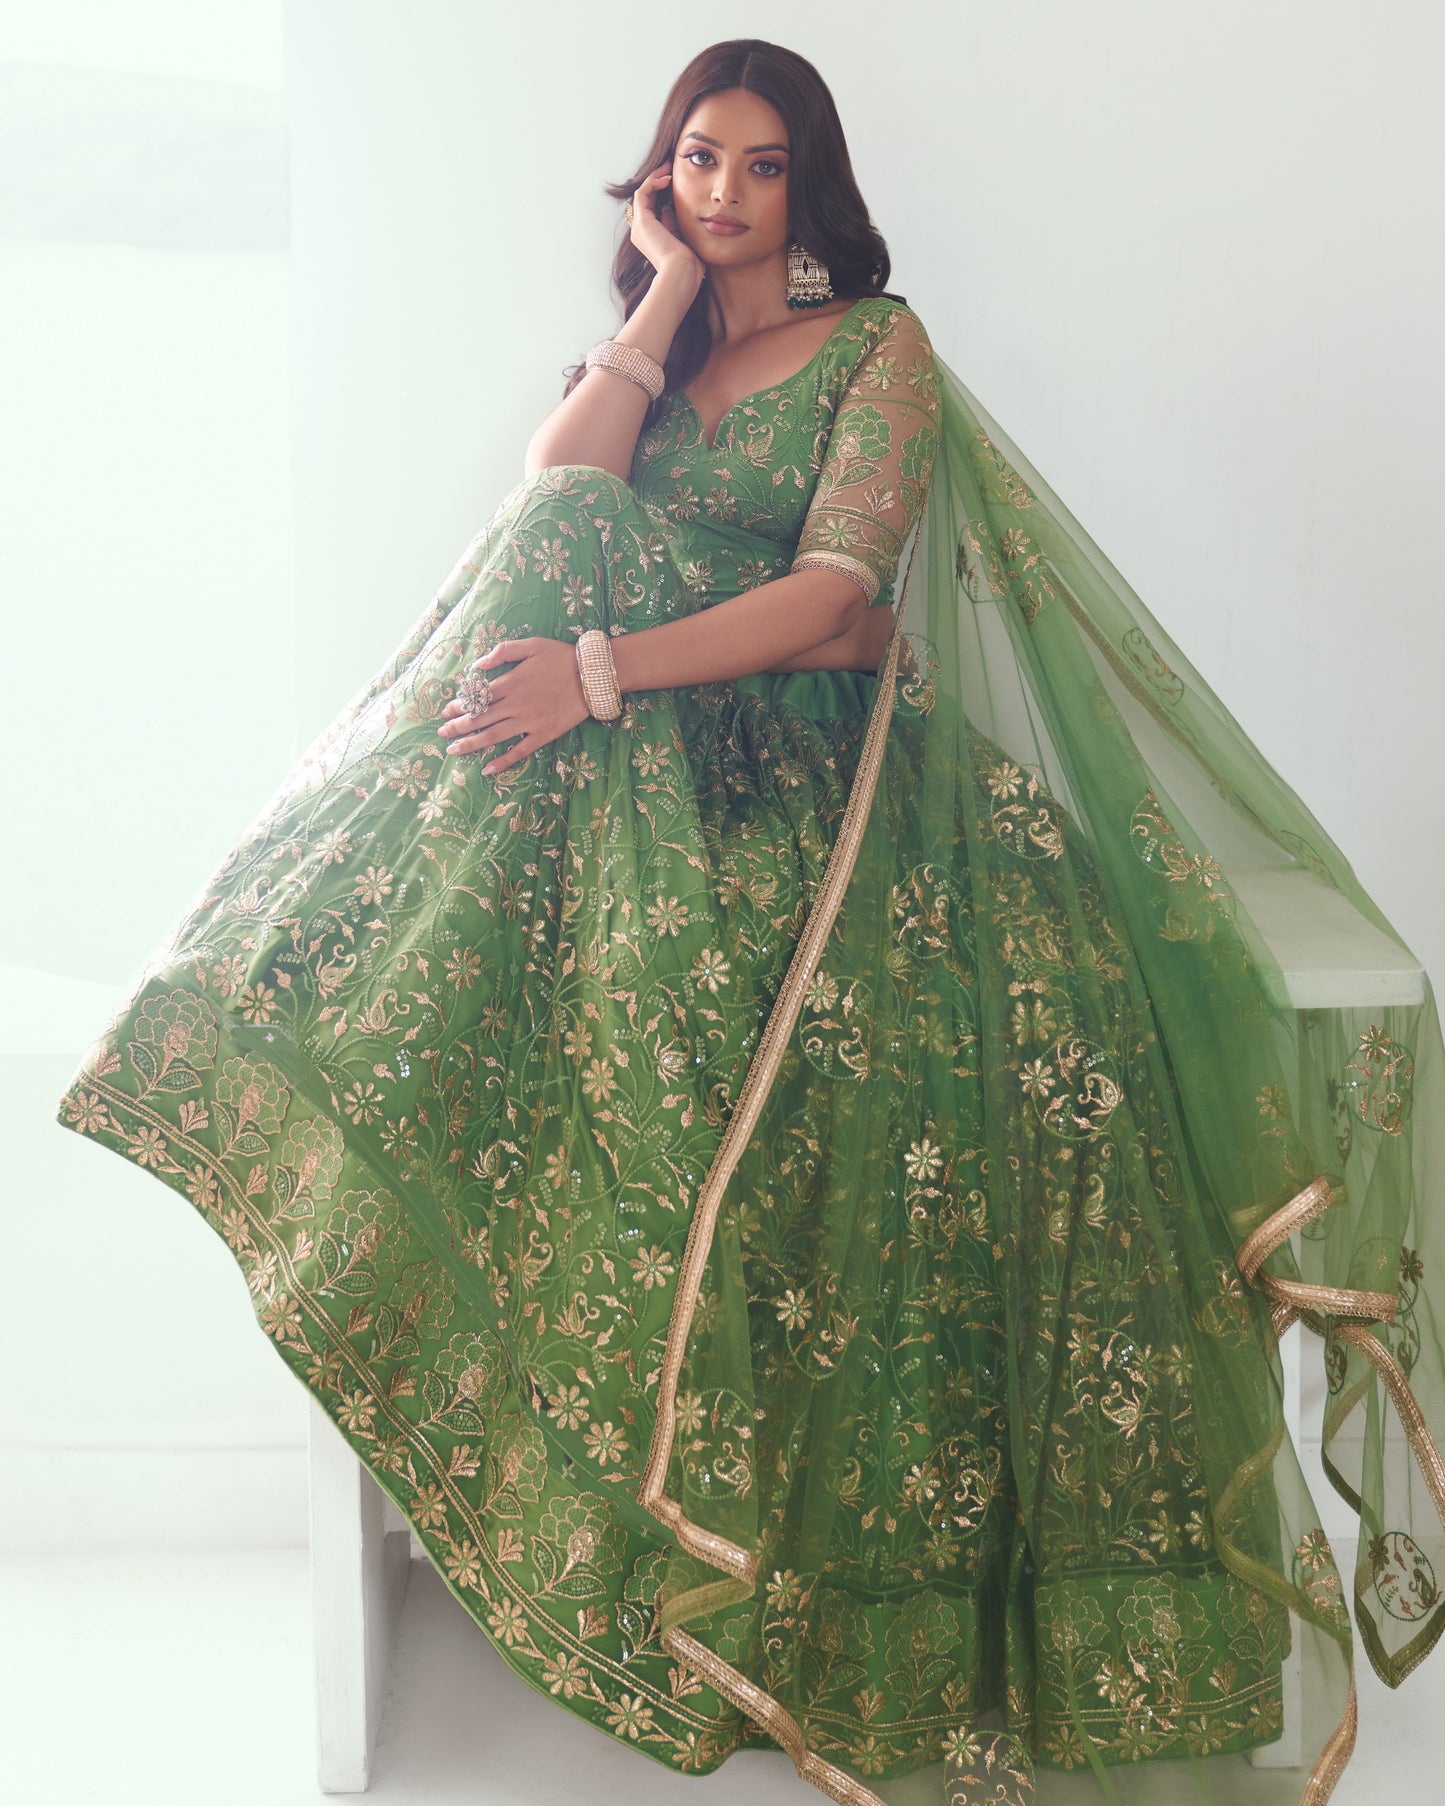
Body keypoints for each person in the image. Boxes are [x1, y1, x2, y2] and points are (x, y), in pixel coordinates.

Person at [55, 36, 1445, 1806]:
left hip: (824, 779)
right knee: (566, 519)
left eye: (757, 165)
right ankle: (316, 963)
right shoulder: (643, 364)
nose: (719, 191)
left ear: (814, 192)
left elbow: (837, 597)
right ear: (656, 181)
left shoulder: (879, 349)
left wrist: (599, 672)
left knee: (586, 582)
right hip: (636, 782)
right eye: (691, 161)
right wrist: (648, 316)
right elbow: (549, 510)